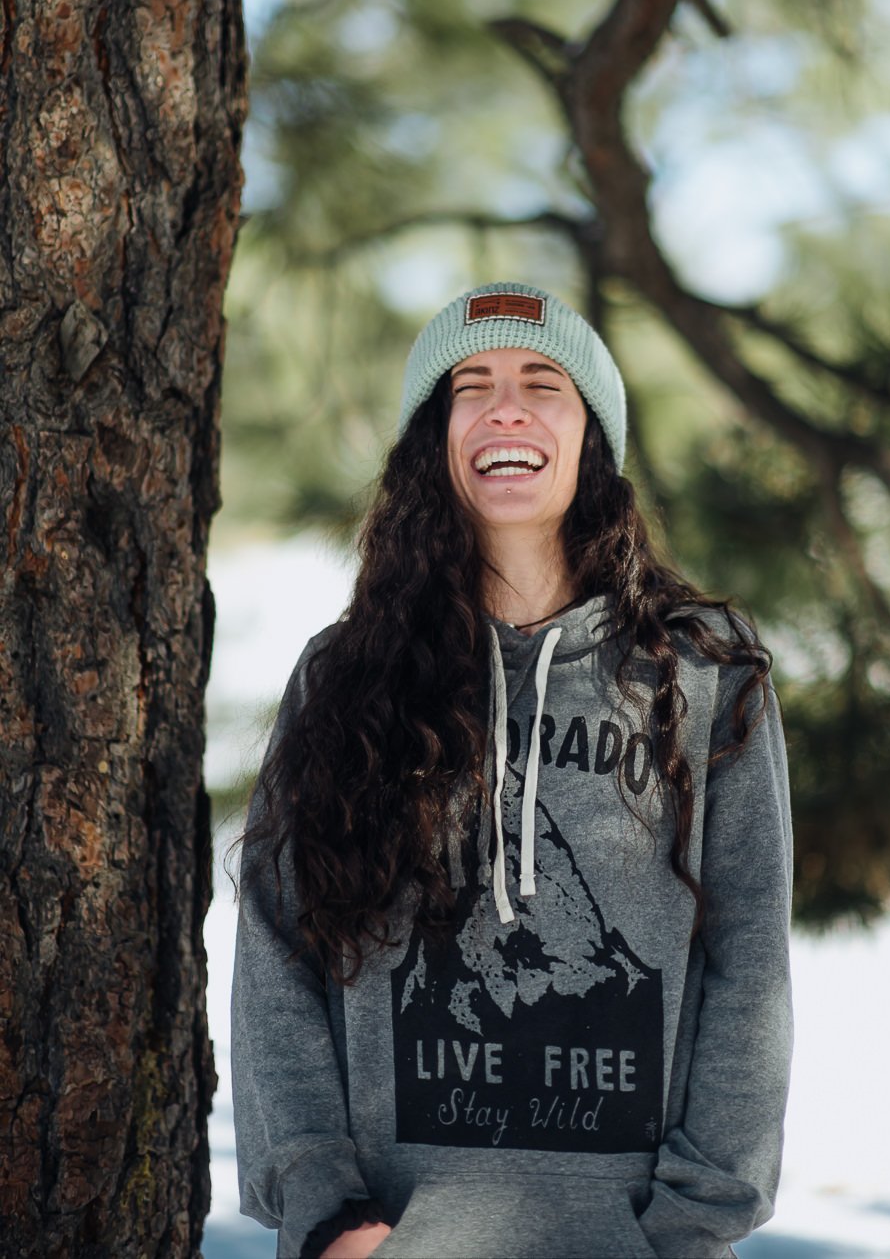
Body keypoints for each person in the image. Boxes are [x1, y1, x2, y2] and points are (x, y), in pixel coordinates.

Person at [231, 280, 794, 1259]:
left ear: (591, 439)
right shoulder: (344, 675)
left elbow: (748, 960)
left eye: (544, 383)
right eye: (471, 384)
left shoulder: (702, 669)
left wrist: (692, 1224)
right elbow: (277, 949)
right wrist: (323, 1210)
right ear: (431, 440)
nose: (506, 408)